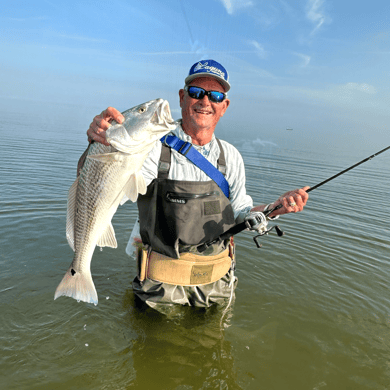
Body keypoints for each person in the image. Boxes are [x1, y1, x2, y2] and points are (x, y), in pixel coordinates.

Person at [84, 60, 309, 310]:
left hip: (217, 285)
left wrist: (276, 207)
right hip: (159, 289)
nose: (205, 101)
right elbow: (102, 186)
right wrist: (100, 145)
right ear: (182, 97)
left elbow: (241, 212)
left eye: (215, 95)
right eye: (196, 92)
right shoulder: (150, 147)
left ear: (224, 106)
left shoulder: (231, 156)